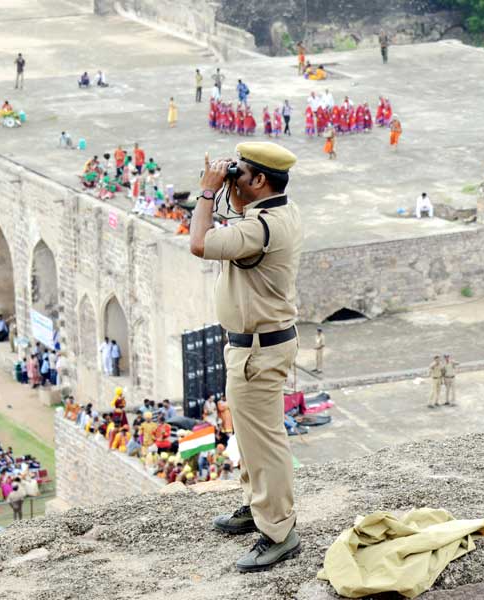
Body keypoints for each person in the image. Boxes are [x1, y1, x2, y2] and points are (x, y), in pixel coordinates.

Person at [190, 141, 303, 572]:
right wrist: (224, 190)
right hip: (259, 346)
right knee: (252, 439)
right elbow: (229, 231)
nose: (231, 181)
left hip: (258, 349)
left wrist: (206, 191)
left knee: (265, 442)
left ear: (258, 180)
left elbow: (200, 243)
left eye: (240, 175)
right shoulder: (279, 214)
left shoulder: (260, 228)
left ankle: (278, 531)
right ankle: (257, 508)